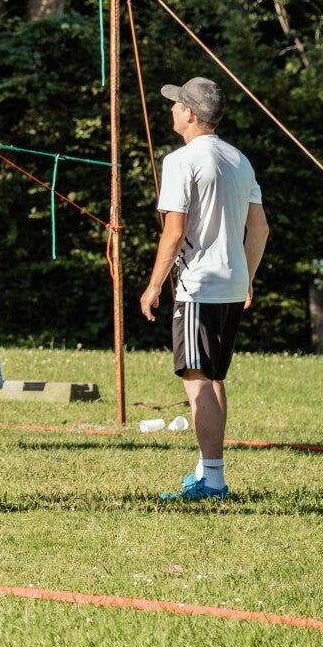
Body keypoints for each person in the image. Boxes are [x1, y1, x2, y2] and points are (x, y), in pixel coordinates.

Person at [139, 76, 266, 503]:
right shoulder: (240, 159)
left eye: (177, 105)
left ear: (190, 114)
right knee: (213, 377)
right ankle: (205, 470)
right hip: (231, 284)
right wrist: (246, 276)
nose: (172, 109)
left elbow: (173, 233)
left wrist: (154, 285)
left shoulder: (181, 161)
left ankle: (213, 480)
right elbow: (260, 228)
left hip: (198, 285)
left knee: (196, 381)